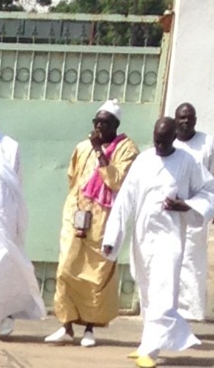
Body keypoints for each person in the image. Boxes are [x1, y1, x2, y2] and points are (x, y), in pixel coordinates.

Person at [103, 116, 214, 368]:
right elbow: (125, 200)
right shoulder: (143, 161)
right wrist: (112, 237)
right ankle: (148, 341)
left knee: (163, 291)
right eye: (156, 139)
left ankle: (152, 351)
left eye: (164, 140)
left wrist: (184, 205)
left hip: (170, 238)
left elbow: (210, 191)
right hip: (143, 237)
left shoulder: (188, 162)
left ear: (174, 138)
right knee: (147, 291)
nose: (159, 144)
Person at [45, 99, 138, 347]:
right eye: (96, 121)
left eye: (104, 122)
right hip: (77, 217)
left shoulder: (127, 149)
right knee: (66, 268)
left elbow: (117, 181)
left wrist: (99, 151)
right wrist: (77, 207)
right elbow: (73, 178)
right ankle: (65, 325)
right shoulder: (82, 147)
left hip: (104, 221)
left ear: (116, 125)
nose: (98, 126)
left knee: (95, 276)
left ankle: (89, 329)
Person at [0, 102, 46, 336]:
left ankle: (7, 316)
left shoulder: (9, 147)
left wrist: (14, 223)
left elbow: (17, 187)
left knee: (1, 270)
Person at [174, 102, 214, 321]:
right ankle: (172, 307)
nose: (185, 122)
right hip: (171, 212)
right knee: (172, 258)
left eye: (189, 118)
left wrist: (199, 205)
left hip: (195, 211)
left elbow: (213, 177)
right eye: (181, 118)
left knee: (192, 259)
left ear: (195, 120)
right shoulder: (170, 143)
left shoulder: (207, 143)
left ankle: (192, 310)